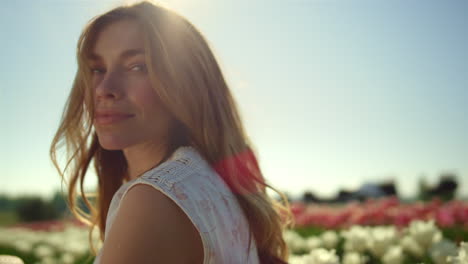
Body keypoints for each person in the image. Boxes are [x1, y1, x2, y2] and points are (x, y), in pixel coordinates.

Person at [50, 1, 294, 263]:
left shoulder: (155, 198)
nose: (104, 88)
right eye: (97, 69)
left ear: (186, 83)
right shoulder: (206, 187)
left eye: (137, 67)